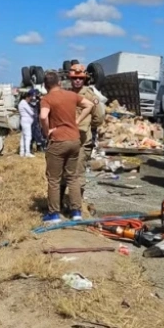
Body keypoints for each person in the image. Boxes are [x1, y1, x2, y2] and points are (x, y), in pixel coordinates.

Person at [39, 71, 95, 223]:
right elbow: (89, 105)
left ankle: (54, 214)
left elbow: (43, 116)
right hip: (74, 140)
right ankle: (76, 212)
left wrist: (47, 132)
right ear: (59, 83)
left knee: (54, 179)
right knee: (72, 177)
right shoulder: (71, 95)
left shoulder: (47, 98)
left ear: (45, 85)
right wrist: (76, 121)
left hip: (58, 141)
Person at [67, 64, 103, 210]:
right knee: (65, 171)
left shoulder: (90, 96)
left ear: (85, 79)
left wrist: (87, 126)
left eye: (80, 78)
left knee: (78, 173)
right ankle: (66, 201)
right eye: (74, 78)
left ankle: (77, 205)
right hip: (67, 139)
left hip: (82, 140)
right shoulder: (67, 94)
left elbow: (98, 118)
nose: (77, 81)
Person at [18, 89, 37, 157]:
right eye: (32, 97)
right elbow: (31, 112)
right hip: (26, 122)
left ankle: (22, 152)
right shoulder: (23, 103)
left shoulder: (23, 103)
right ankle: (27, 152)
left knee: (23, 137)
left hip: (25, 122)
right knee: (28, 137)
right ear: (28, 96)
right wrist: (33, 111)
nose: (32, 99)